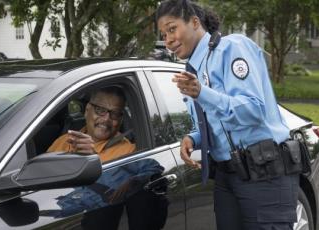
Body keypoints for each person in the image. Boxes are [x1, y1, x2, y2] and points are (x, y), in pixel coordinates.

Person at [156, 0, 299, 230]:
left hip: (263, 172)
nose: (168, 39)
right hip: (227, 174)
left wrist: (203, 93)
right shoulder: (192, 69)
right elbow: (219, 122)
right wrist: (195, 138)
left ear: (194, 22)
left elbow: (253, 110)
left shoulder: (231, 48)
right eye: (163, 34)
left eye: (172, 29)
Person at [48, 86, 136, 162]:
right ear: (87, 110)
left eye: (115, 114)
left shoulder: (129, 152)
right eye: (100, 110)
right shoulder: (64, 140)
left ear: (120, 119)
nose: (106, 119)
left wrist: (93, 160)